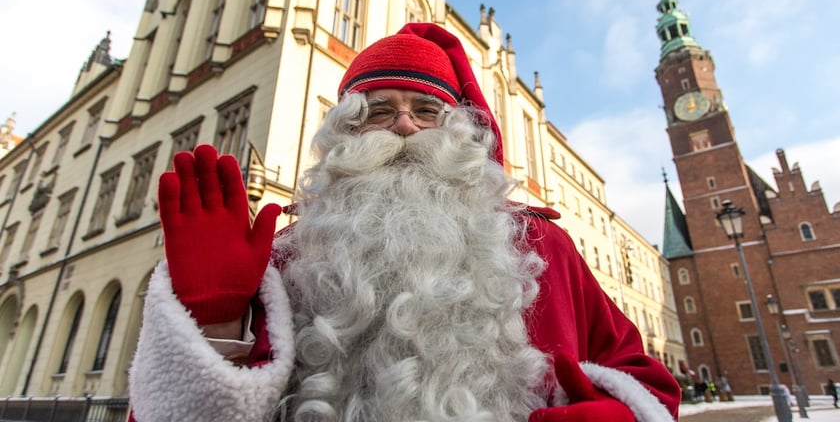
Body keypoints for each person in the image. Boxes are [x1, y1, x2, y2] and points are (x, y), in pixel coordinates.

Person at [129, 23, 680, 421]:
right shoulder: (284, 258)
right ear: (345, 133)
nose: (405, 127)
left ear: (458, 133)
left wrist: (617, 414)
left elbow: (647, 380)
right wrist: (216, 327)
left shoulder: (540, 246)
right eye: (378, 111)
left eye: (426, 110)